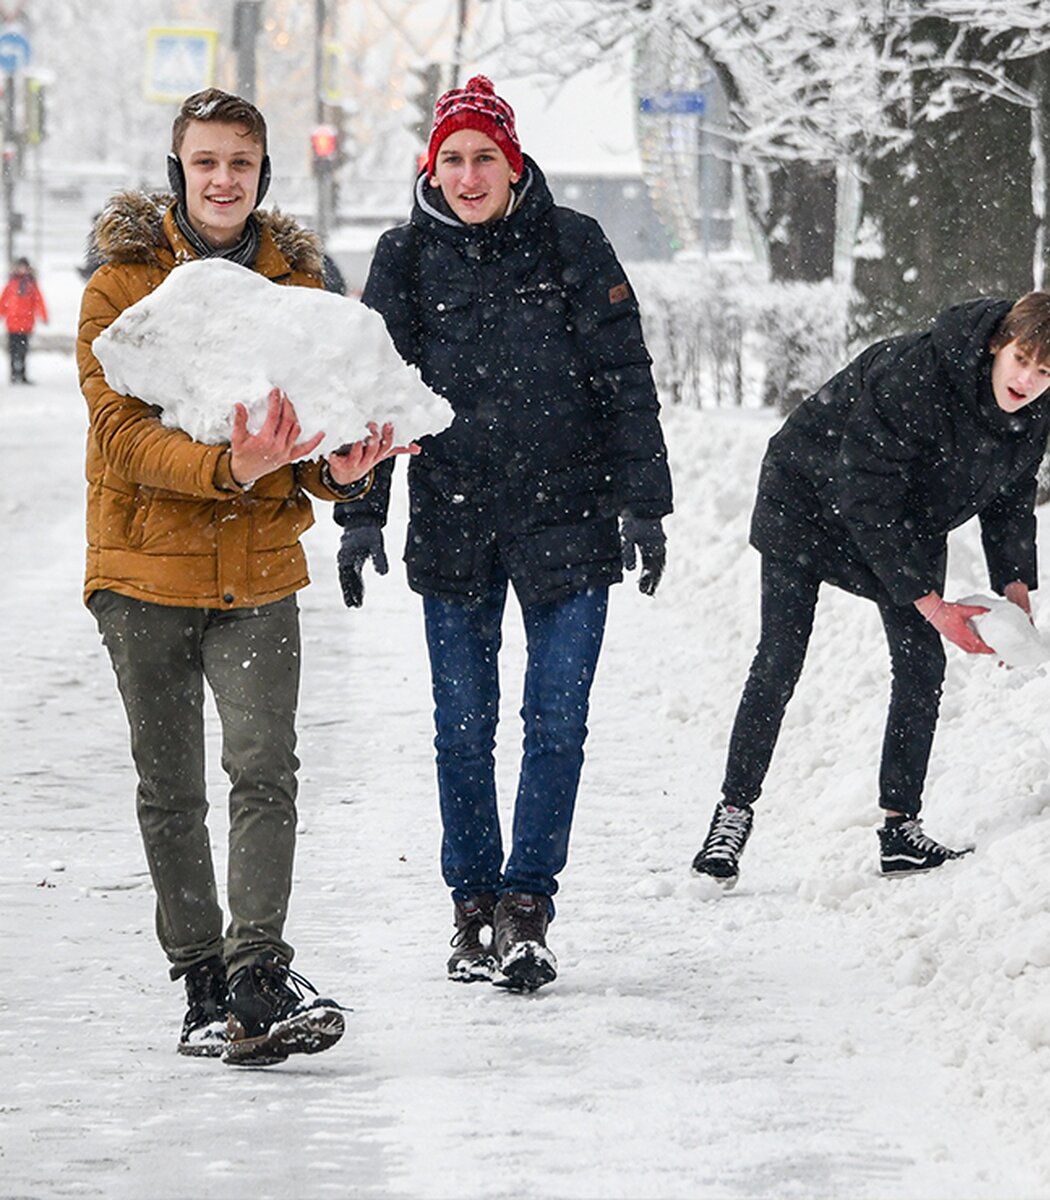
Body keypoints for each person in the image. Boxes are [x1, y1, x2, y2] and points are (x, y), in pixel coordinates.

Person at [77, 88, 409, 1065]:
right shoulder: (121, 287)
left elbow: (308, 429)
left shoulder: (297, 285)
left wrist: (335, 471)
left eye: (243, 164)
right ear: (178, 169)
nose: (225, 180)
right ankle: (200, 984)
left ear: (266, 176)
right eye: (207, 161)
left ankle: (258, 975)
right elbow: (123, 436)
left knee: (265, 771)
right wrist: (234, 465)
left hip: (259, 569)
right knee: (170, 787)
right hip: (140, 573)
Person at [335, 75, 672, 992]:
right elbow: (374, 397)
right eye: (454, 158)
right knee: (462, 727)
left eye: (487, 156)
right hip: (455, 522)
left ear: (514, 162)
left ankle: (528, 904)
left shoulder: (573, 243)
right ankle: (471, 909)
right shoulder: (403, 259)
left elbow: (622, 377)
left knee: (556, 722)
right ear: (430, 168)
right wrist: (362, 515)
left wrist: (645, 503)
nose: (471, 173)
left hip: (567, 515)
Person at [690, 292, 1050, 885]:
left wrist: (1014, 590)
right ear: (997, 344)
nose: (1028, 380)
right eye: (1022, 359)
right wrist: (930, 603)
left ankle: (900, 830)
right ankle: (731, 815)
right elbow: (865, 489)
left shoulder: (1036, 407)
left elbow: (1013, 492)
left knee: (920, 666)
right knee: (781, 657)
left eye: (1046, 372)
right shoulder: (919, 372)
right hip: (807, 497)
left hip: (907, 517)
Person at [0, 257, 48, 384]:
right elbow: (3, 300)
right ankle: (13, 375)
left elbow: (39, 301)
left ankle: (22, 375)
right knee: (12, 351)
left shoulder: (32, 285)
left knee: (23, 351)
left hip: (26, 324)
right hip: (12, 323)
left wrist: (43, 315)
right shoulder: (11, 283)